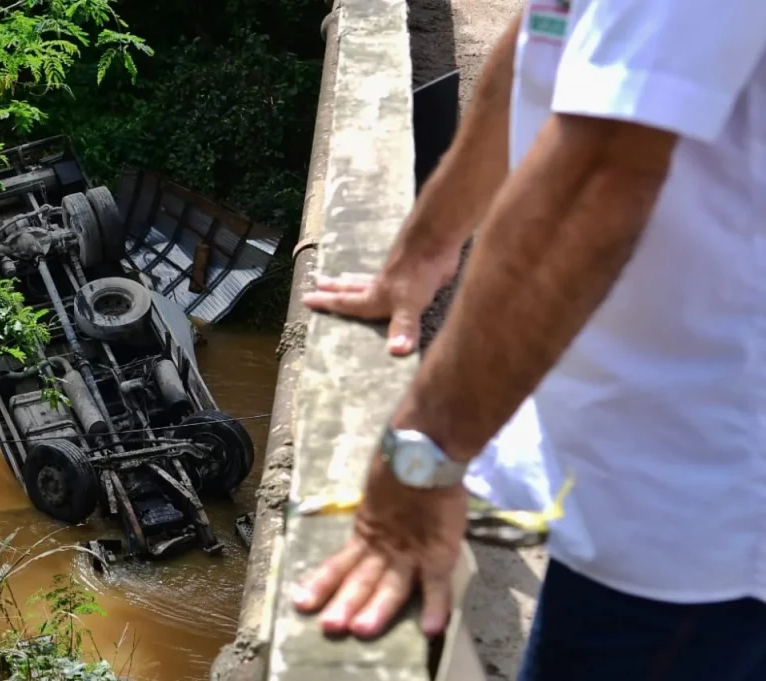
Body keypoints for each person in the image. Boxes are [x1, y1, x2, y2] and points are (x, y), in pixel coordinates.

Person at [291, 1, 766, 678]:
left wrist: (422, 452)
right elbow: (543, 34)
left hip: (697, 503)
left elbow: (596, 178)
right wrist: (423, 250)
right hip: (628, 450)